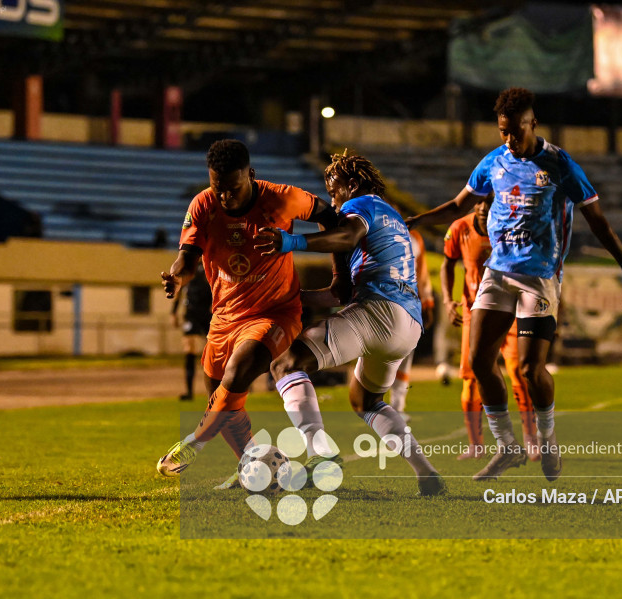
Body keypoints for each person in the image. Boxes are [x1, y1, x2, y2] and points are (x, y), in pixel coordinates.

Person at [407, 87, 622, 482]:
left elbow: (597, 220)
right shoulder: (493, 162)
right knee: (478, 362)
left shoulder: (560, 165)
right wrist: (417, 220)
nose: (510, 139)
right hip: (497, 272)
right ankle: (507, 447)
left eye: (516, 130)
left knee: (528, 368)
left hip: (539, 278)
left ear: (533, 123)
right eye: (503, 131)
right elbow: (458, 206)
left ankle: (547, 437)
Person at [254, 151, 446, 496]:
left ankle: (321, 454)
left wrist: (291, 242)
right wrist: (289, 298)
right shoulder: (393, 217)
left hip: (378, 313)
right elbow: (339, 294)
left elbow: (345, 236)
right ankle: (426, 473)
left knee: (286, 364)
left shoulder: (361, 205)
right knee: (366, 401)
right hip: (408, 324)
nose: (332, 202)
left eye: (335, 191)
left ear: (353, 185)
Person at [156, 139, 339, 489]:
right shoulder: (203, 205)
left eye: (233, 188)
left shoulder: (281, 199)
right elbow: (187, 256)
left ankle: (195, 442)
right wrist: (178, 277)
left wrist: (339, 270)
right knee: (220, 396)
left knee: (237, 374)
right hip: (225, 318)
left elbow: (329, 217)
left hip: (275, 311)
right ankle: (253, 466)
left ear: (251, 174)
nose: (226, 197)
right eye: (218, 188)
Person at [441, 194, 539, 461]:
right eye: (480, 201)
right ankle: (476, 445)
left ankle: (531, 439)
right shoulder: (459, 228)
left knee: (519, 372)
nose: (483, 207)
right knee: (471, 379)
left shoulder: (513, 227)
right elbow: (448, 263)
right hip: (475, 313)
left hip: (510, 311)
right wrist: (448, 299)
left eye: (490, 201)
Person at [388, 227, 435, 422]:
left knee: (405, 355)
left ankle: (397, 407)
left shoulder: (415, 236)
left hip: (409, 304)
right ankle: (371, 404)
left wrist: (427, 301)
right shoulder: (376, 228)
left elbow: (421, 271)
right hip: (383, 300)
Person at [171, 263, 212, 400]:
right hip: (191, 314)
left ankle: (228, 388)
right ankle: (189, 392)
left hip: (208, 313)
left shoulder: (211, 262)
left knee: (216, 351)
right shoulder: (187, 264)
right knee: (189, 349)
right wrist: (174, 312)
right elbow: (179, 288)